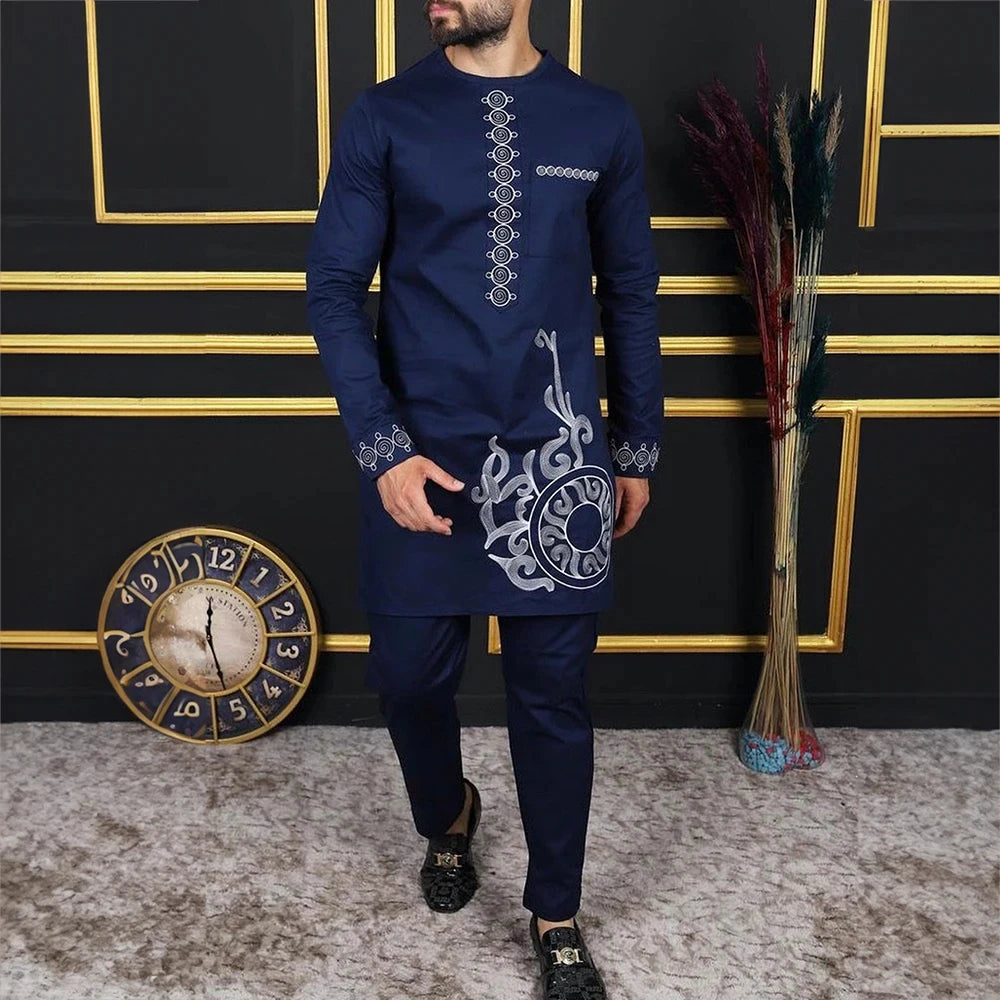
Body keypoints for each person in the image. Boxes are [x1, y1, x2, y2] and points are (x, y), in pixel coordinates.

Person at [305, 1, 662, 996]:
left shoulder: (598, 119)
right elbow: (333, 287)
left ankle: (557, 913)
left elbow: (630, 290)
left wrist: (635, 444)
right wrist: (382, 449)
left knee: (552, 693)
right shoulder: (386, 115)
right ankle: (448, 814)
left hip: (559, 453)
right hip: (421, 453)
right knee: (409, 677)